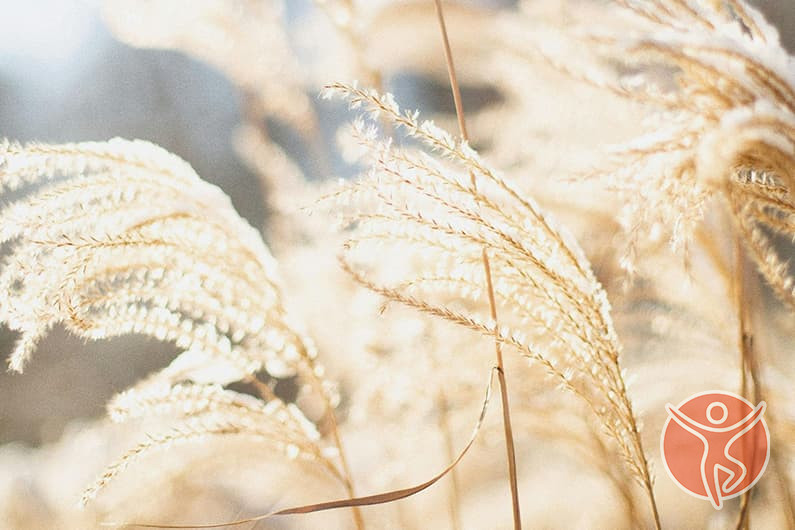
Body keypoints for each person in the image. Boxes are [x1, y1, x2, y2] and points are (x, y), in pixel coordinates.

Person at [665, 400, 766, 509]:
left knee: (736, 473)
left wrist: (674, 413)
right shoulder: (716, 429)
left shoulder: (721, 429)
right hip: (713, 463)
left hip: (717, 463)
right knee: (718, 483)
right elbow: (688, 425)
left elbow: (688, 424)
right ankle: (721, 496)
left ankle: (725, 491)